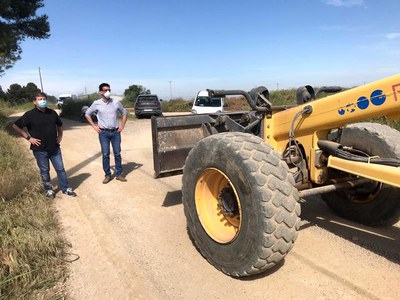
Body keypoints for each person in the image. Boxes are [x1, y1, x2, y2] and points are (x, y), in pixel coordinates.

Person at [12, 92, 77, 199]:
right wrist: (29, 138)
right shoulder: (29, 115)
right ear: (34, 102)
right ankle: (49, 190)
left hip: (54, 147)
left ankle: (65, 188)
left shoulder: (52, 113)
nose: (42, 101)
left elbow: (60, 125)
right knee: (44, 171)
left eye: (44, 99)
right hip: (39, 149)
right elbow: (15, 126)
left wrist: (60, 136)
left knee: (60, 169)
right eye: (40, 99)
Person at [85, 83, 128, 184]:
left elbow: (124, 113)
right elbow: (87, 114)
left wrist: (122, 125)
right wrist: (94, 126)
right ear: (100, 92)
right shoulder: (96, 103)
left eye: (109, 89)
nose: (107, 92)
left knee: (117, 153)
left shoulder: (116, 102)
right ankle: (107, 175)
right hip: (103, 133)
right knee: (105, 154)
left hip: (115, 132)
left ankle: (119, 174)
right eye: (105, 90)